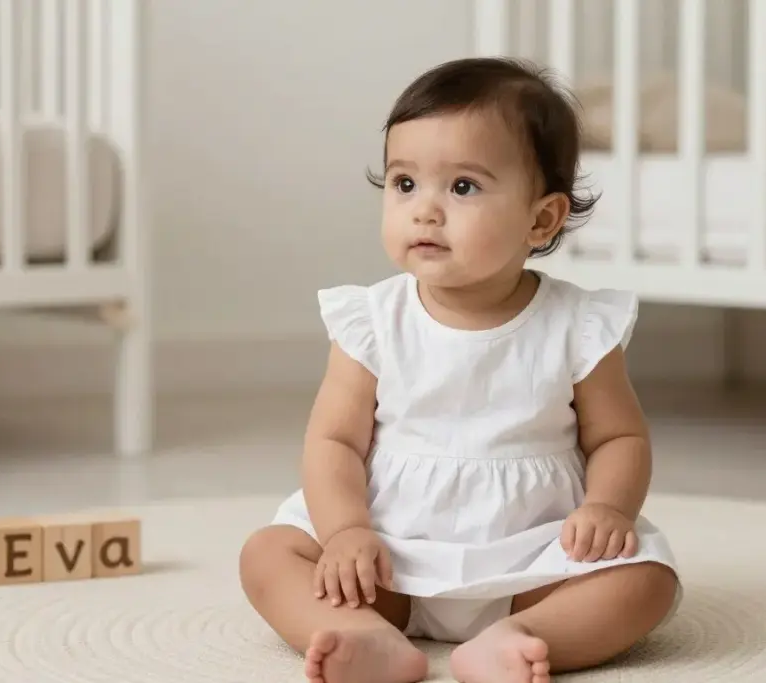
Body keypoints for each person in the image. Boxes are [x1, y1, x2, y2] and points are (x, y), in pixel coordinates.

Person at [239, 56, 681, 683]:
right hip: (389, 555)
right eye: (404, 184)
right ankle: (364, 635)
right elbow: (334, 440)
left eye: (463, 187)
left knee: (648, 582)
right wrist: (344, 533)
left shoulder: (577, 325)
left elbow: (618, 437)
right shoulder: (373, 319)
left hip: (533, 557)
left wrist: (608, 508)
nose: (425, 210)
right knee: (268, 554)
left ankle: (523, 636)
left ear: (541, 219)